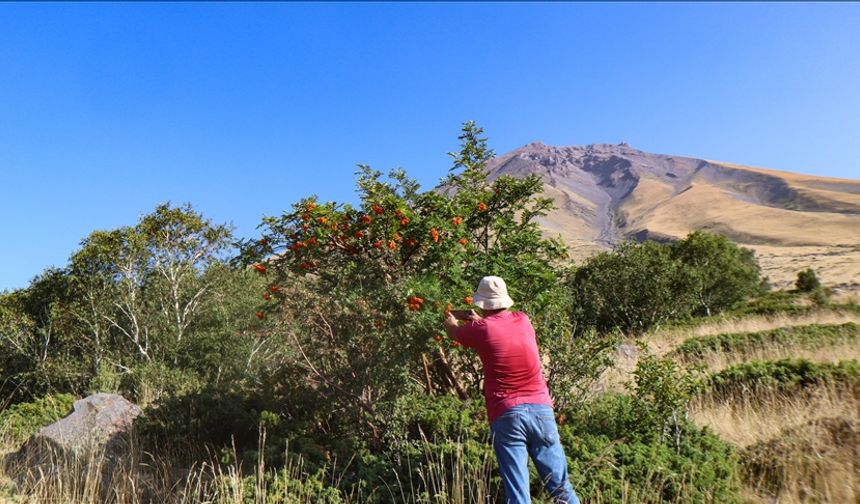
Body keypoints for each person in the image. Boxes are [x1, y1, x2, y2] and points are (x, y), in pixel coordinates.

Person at [443, 276, 580, 504]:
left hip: (507, 414)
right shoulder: (523, 320)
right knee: (561, 489)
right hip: (542, 412)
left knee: (518, 495)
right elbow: (499, 329)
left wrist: (450, 321)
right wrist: (478, 320)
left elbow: (453, 333)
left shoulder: (480, 329)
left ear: (482, 304)